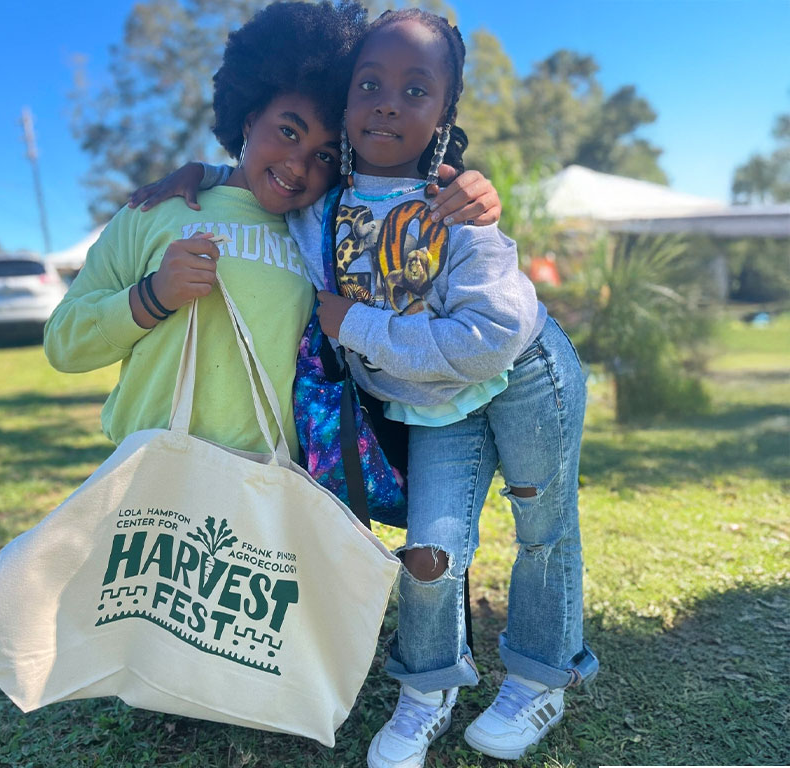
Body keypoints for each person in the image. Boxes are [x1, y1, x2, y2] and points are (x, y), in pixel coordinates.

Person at [135, 8, 599, 767]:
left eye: (416, 89)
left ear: (444, 113)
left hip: (521, 376)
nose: (388, 101)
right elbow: (272, 177)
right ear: (348, 100)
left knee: (543, 524)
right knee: (429, 551)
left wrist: (356, 326)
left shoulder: (457, 206)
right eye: (370, 84)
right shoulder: (318, 209)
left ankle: (542, 676)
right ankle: (428, 690)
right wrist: (207, 174)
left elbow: (489, 339)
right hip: (434, 401)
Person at [46, 0, 501, 465]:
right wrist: (153, 296)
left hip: (275, 498)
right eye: (287, 131)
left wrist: (473, 190)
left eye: (325, 155)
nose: (297, 164)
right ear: (248, 119)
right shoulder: (157, 211)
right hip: (152, 481)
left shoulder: (325, 230)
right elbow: (64, 344)